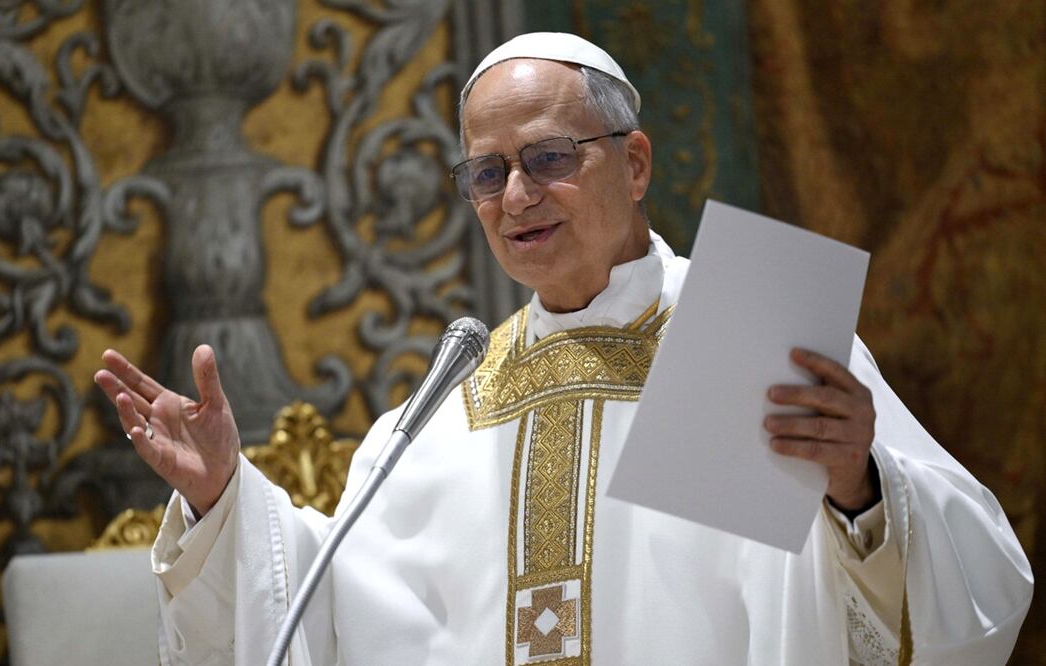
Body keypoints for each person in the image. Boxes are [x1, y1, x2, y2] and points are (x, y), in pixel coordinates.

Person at [95, 33, 1031, 665]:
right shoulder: (445, 408)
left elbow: (980, 576)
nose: (516, 198)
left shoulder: (755, 335)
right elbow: (330, 617)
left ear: (633, 162)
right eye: (487, 173)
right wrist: (222, 500)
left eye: (548, 158)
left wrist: (859, 486)